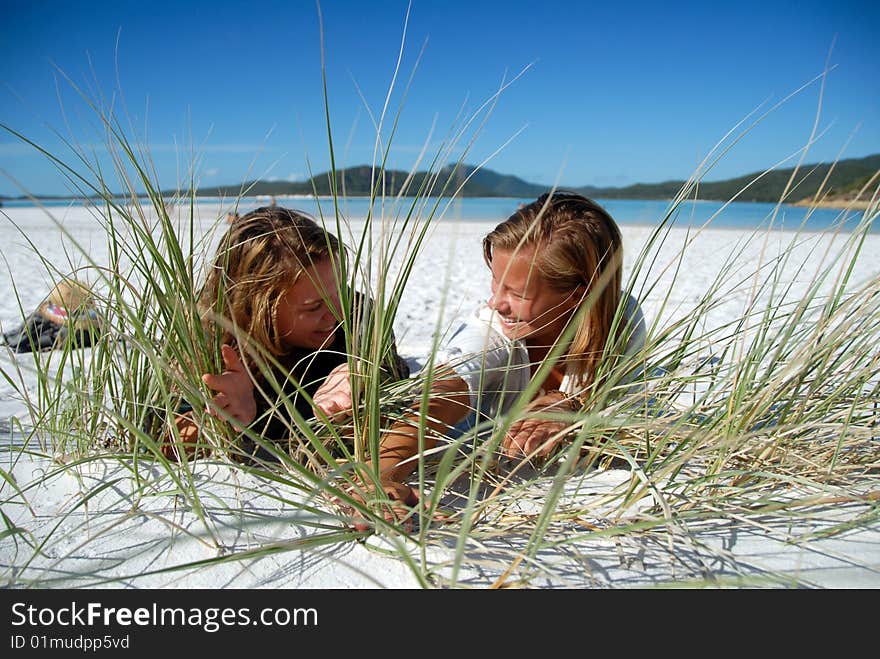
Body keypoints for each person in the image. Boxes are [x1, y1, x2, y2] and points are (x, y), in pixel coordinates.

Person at [319, 191, 646, 510]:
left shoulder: (621, 320)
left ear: (578, 295)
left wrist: (567, 403)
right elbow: (441, 396)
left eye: (516, 293)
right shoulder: (491, 328)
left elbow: (626, 400)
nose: (495, 302)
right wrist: (379, 478)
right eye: (495, 282)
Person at [164, 205, 409, 463]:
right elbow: (166, 437)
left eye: (339, 289)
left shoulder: (357, 313)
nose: (337, 313)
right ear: (256, 310)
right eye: (315, 306)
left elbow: (393, 367)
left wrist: (362, 372)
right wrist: (227, 419)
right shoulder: (213, 340)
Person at [2, 278, 103, 353]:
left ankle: (25, 341)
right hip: (67, 322)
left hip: (74, 329)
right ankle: (23, 339)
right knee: (36, 323)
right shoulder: (54, 311)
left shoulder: (88, 321)